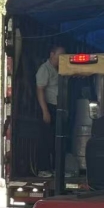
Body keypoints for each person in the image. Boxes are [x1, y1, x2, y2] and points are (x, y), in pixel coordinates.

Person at [35, 46, 64, 175]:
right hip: (48, 107)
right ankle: (43, 168)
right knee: (45, 139)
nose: (61, 59)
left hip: (56, 107)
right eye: (59, 56)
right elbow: (40, 89)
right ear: (52, 54)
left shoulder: (56, 70)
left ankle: (54, 168)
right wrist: (45, 111)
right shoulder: (44, 69)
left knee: (55, 139)